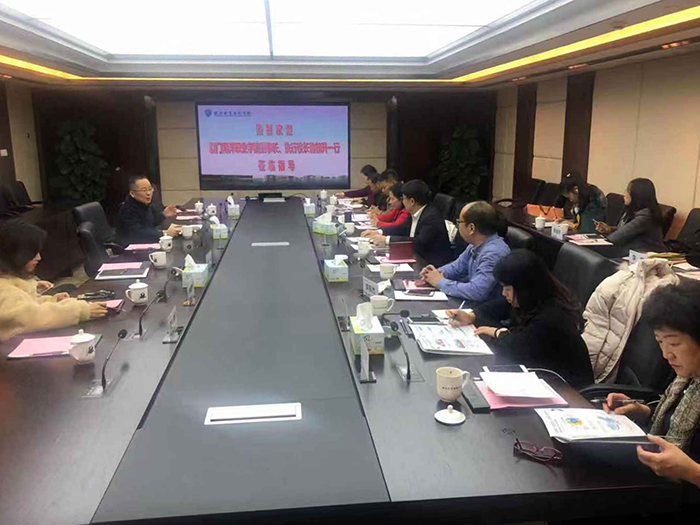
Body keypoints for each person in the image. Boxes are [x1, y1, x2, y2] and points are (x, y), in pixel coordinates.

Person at [603, 282, 700, 499]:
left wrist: (692, 472)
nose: (666, 354)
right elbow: (675, 414)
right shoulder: (687, 376)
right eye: (659, 342)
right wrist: (644, 411)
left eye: (674, 344)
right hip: (658, 486)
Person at [446, 250, 593, 387]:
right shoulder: (535, 299)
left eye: (507, 288)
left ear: (524, 288)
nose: (504, 293)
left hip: (566, 389)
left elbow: (515, 348)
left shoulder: (552, 316)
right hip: (541, 376)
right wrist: (471, 316)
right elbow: (501, 305)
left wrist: (497, 332)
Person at [0, 219, 107, 342]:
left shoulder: (11, 283)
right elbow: (32, 317)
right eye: (33, 254)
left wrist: (53, 300)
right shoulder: (4, 290)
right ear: (16, 255)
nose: (39, 257)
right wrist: (80, 310)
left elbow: (26, 305)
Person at [419, 201, 510, 303]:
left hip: (486, 308)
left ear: (471, 228)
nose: (457, 226)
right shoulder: (475, 244)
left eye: (459, 222)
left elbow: (477, 291)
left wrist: (439, 282)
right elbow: (457, 268)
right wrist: (435, 273)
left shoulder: (493, 253)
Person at [366, 180, 452, 267]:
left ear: (412, 201)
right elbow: (401, 228)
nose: (402, 202)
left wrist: (386, 239)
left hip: (430, 264)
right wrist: (379, 232)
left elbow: (418, 242)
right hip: (414, 257)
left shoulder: (431, 218)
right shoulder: (415, 212)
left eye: (403, 199)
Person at [595, 178, 666, 252]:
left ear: (636, 195)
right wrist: (609, 229)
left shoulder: (645, 216)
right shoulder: (633, 209)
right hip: (631, 249)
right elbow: (625, 230)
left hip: (646, 254)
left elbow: (616, 237)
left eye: (628, 191)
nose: (625, 194)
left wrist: (598, 241)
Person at [117, 175, 181, 244]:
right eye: (144, 190)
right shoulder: (127, 210)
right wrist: (163, 234)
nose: (148, 193)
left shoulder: (145, 204)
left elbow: (151, 222)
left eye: (150, 189)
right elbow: (137, 233)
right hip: (131, 247)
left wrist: (163, 215)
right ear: (132, 193)